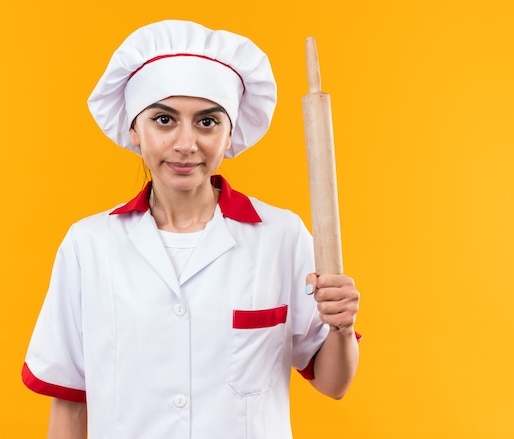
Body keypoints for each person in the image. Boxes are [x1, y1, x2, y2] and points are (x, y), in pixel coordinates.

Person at [22, 19, 361, 439]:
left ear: (230, 132)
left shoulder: (282, 236)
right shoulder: (88, 246)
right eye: (164, 120)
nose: (186, 143)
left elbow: (334, 383)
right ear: (134, 128)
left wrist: (341, 327)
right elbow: (71, 402)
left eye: (207, 122)